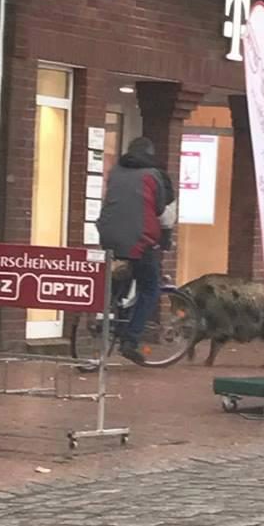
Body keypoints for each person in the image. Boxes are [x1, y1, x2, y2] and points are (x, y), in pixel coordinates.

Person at [97, 137, 175, 363]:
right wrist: (166, 239)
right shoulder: (153, 175)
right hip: (140, 240)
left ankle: (115, 316)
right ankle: (130, 339)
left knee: (121, 279)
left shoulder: (115, 172)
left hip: (109, 236)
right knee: (150, 288)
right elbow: (162, 212)